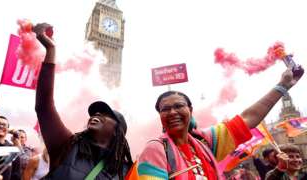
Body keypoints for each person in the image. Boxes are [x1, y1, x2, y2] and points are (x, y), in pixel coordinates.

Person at [138, 67, 304, 179]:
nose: (172, 112)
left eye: (179, 106)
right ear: (160, 116)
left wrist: (282, 86)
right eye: (165, 109)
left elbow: (248, 118)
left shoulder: (205, 142)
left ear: (190, 110)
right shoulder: (156, 149)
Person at [33, 23, 133, 179]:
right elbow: (44, 107)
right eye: (96, 112)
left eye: (105, 114)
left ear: (117, 131)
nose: (97, 114)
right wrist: (51, 50)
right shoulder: (67, 145)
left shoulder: (126, 171)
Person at [0, 107, 21, 180]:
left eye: (4, 125)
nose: (1, 126)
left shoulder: (12, 149)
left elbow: (16, 174)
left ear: (8, 130)